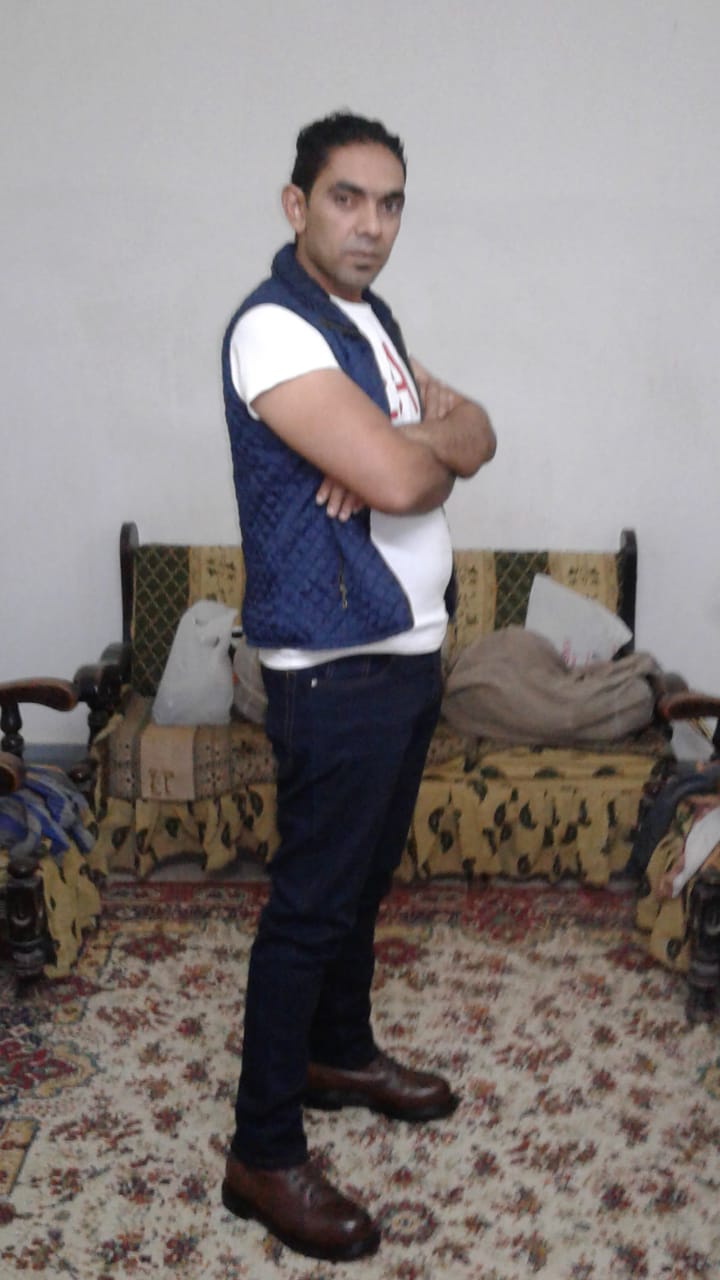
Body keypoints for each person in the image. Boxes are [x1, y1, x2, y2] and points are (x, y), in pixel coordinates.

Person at [220, 111, 496, 1262]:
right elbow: (405, 474)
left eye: (389, 203)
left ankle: (337, 1052)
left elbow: (477, 434)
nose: (371, 224)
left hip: (407, 653)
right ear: (298, 205)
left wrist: (417, 439)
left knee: (363, 881)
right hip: (335, 669)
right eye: (347, 197)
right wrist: (409, 446)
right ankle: (262, 1150)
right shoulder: (274, 328)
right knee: (311, 907)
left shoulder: (368, 320)